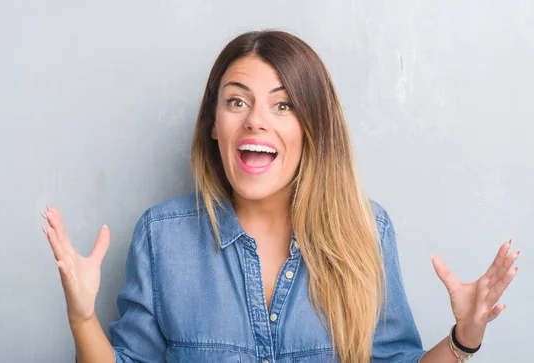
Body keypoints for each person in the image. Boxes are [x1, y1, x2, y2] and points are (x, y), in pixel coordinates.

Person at [41, 30, 519, 363]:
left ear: (311, 127)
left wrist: (465, 337)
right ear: (214, 124)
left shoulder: (367, 232)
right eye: (236, 101)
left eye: (283, 104)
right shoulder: (161, 237)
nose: (255, 120)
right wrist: (82, 317)